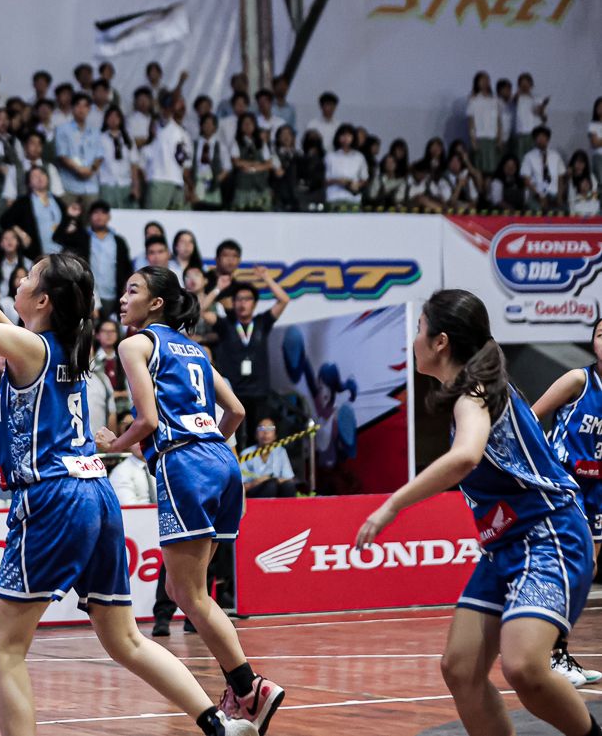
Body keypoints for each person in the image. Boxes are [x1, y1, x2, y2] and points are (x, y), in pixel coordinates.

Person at [0, 254, 257, 736]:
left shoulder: (35, 348)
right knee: (125, 639)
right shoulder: (64, 346)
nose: (17, 281)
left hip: (53, 498)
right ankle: (219, 726)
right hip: (98, 495)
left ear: (42, 300)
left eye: (26, 278)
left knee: (4, 646)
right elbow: (16, 342)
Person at [356, 290, 598, 736]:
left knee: (524, 667)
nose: (414, 341)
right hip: (503, 546)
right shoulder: (471, 390)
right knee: (460, 668)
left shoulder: (475, 392)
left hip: (550, 536)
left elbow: (465, 457)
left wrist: (392, 504)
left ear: (441, 341)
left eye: (419, 330)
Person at [102, 265, 282, 732]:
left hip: (186, 464)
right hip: (222, 463)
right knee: (189, 591)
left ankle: (251, 688)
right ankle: (242, 690)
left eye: (133, 291)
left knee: (187, 592)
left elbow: (145, 420)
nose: (123, 299)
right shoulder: (196, 350)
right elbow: (237, 410)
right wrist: (210, 446)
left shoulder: (134, 344)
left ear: (156, 303)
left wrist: (111, 446)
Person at [530, 316, 602, 687]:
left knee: (587, 571)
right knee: (571, 568)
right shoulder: (579, 380)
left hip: (600, 491)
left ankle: (559, 651)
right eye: (601, 335)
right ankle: (550, 654)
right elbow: (530, 418)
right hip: (566, 486)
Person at [211, 270, 290, 442]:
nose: (242, 303)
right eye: (238, 299)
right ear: (233, 303)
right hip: (233, 391)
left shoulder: (262, 322)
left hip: (259, 391)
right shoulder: (226, 325)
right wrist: (218, 289)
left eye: (247, 299)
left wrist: (267, 278)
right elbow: (201, 311)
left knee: (259, 434)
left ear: (254, 303)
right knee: (233, 435)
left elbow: (284, 300)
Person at [239, 420, 297, 498]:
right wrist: (259, 482)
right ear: (256, 435)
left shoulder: (281, 451)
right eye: (261, 428)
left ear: (275, 435)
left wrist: (273, 479)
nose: (265, 432)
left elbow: (289, 479)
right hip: (254, 492)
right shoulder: (246, 454)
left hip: (276, 488)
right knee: (270, 485)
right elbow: (240, 487)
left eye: (270, 428)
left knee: (288, 486)